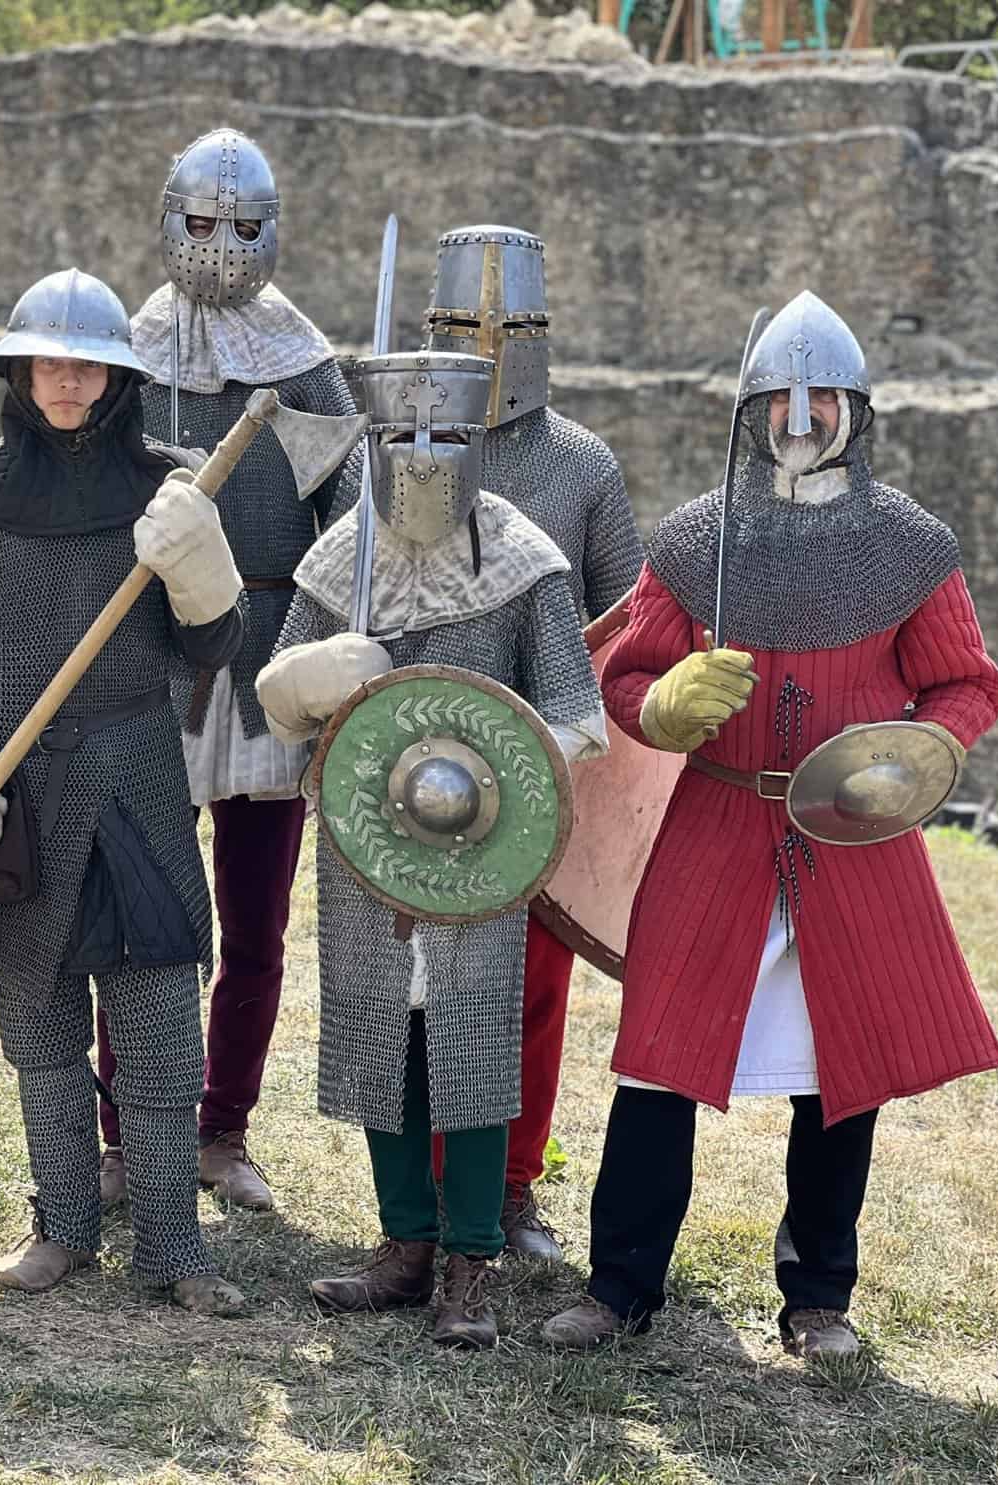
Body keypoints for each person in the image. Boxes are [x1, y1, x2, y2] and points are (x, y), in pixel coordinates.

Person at [541, 292, 998, 1362]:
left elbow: (966, 685)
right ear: (753, 410)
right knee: (658, 1065)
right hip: (719, 826)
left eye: (822, 395)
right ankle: (620, 1289)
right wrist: (659, 706)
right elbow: (630, 672)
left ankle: (818, 1297)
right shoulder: (702, 538)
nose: (802, 414)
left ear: (856, 407)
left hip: (853, 835)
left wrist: (912, 752)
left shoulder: (909, 546)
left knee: (843, 1071)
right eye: (782, 396)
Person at [0, 268, 248, 1314]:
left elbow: (217, 645)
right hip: (18, 788)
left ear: (119, 377)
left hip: (136, 775)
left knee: (163, 1024)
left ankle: (175, 1247)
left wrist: (198, 571)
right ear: (21, 370)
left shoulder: (172, 489)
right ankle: (65, 1228)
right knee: (42, 1029)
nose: (68, 383)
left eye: (88, 365)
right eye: (51, 362)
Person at [257, 350, 608, 1350]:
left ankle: (468, 1261)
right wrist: (319, 674)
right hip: (367, 841)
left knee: (471, 1043)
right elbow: (280, 710)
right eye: (398, 434)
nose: (417, 456)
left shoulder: (523, 558)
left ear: (477, 442)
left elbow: (580, 720)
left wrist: (504, 758)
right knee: (382, 1030)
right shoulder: (342, 555)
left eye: (443, 435)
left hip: (477, 850)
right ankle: (403, 1246)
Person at [89, 127, 363, 1213]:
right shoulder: (121, 351)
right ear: (167, 221)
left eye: (241, 226)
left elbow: (352, 526)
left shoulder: (306, 364)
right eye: (200, 223)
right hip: (148, 656)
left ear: (272, 232)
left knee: (255, 922)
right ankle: (120, 1137)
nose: (219, 245)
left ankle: (221, 1130)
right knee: (140, 913)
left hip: (268, 661)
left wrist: (319, 635)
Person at [419, 224, 643, 1262]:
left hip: (539, 758)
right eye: (468, 322)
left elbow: (622, 622)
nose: (493, 345)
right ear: (434, 324)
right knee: (417, 986)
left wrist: (574, 734)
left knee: (532, 987)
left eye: (515, 324)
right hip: (412, 755)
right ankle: (417, 1196)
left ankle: (511, 1186)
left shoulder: (582, 465)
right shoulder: (403, 441)